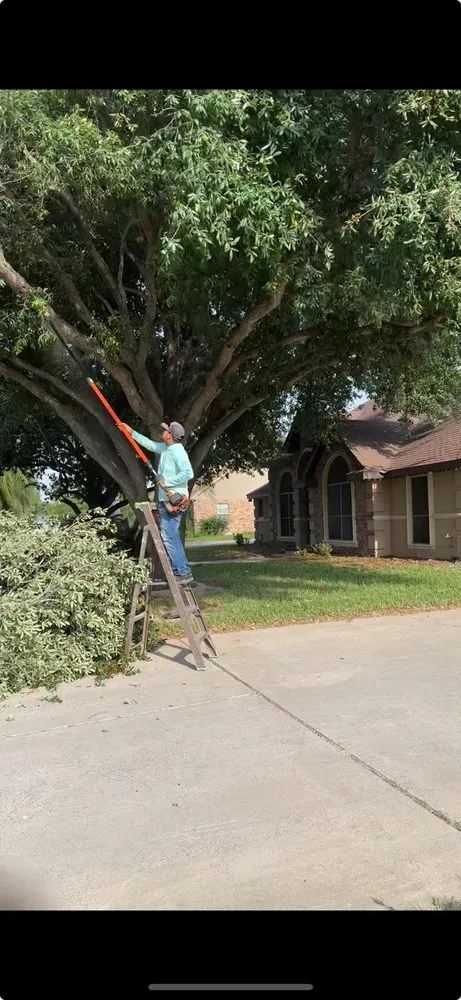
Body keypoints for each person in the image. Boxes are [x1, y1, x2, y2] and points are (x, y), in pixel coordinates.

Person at [122, 420, 194, 585]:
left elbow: (188, 473)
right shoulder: (167, 448)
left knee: (169, 536)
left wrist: (167, 480)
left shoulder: (178, 452)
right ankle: (181, 571)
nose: (163, 432)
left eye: (165, 430)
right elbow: (151, 445)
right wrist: (131, 432)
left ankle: (183, 571)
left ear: (170, 435)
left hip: (175, 499)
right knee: (169, 535)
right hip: (166, 499)